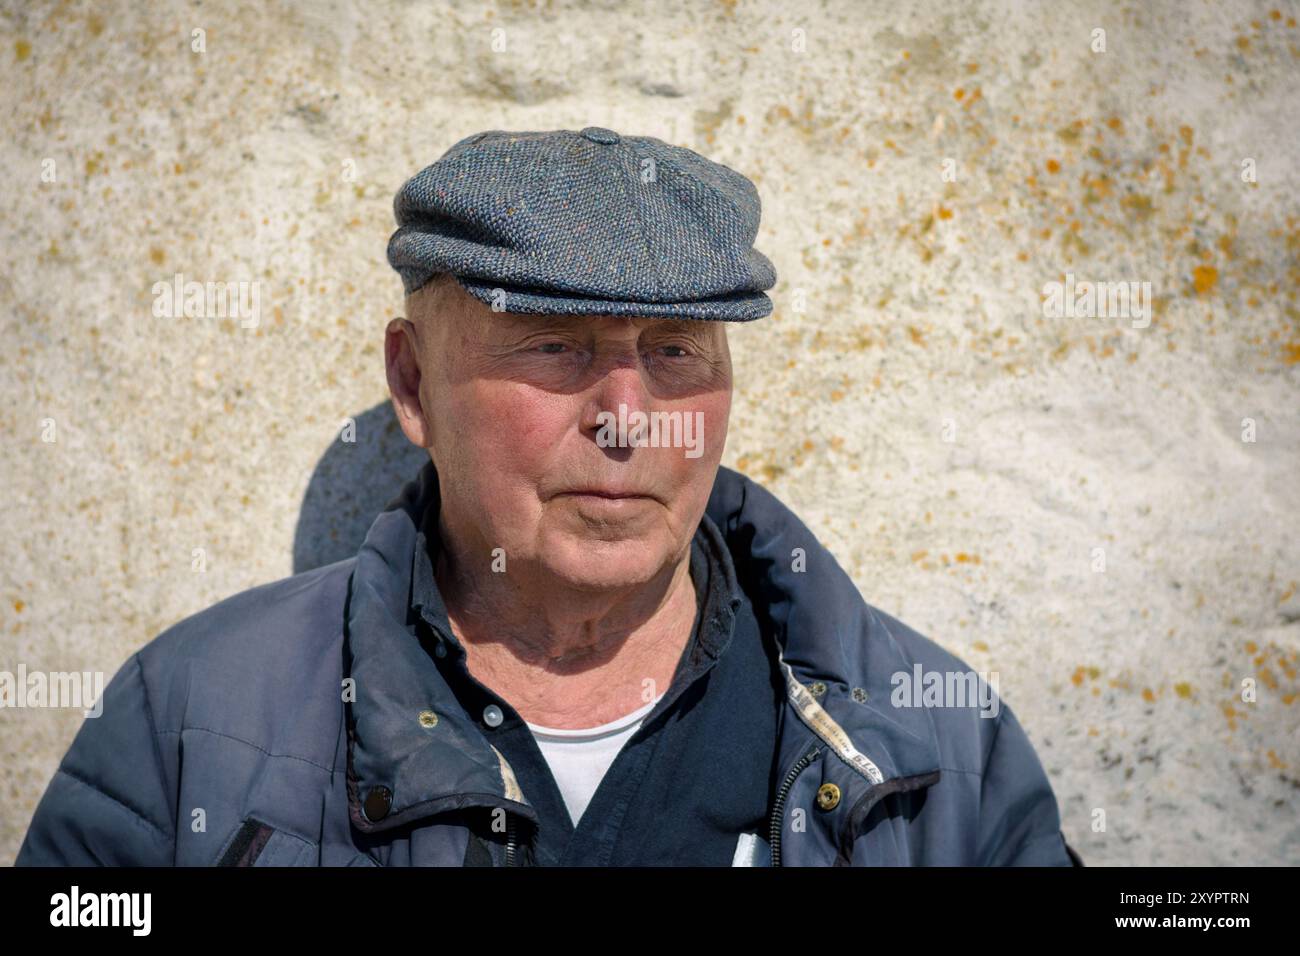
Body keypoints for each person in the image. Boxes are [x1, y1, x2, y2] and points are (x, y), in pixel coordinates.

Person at [17, 127, 1081, 866]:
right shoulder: (193, 720)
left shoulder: (935, 749)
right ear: (413, 382)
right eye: (556, 346)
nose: (628, 414)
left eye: (673, 348)